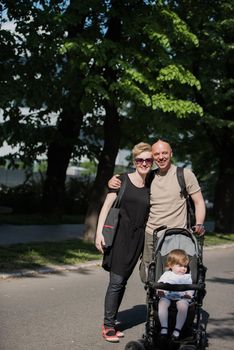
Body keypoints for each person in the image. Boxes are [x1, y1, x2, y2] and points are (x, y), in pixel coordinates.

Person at [108, 139, 206, 281]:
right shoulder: (149, 176)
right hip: (151, 235)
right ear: (152, 157)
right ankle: (156, 301)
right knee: (147, 276)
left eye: (164, 153)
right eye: (157, 154)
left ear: (171, 153)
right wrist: (112, 181)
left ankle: (174, 301)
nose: (161, 157)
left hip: (176, 235)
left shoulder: (184, 174)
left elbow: (199, 202)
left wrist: (200, 223)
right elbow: (131, 180)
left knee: (177, 274)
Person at [95, 142, 153, 343]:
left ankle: (110, 322)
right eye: (140, 160)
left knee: (123, 281)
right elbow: (107, 205)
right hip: (119, 236)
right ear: (134, 161)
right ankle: (108, 325)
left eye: (148, 160)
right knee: (116, 281)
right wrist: (98, 233)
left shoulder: (153, 182)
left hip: (138, 238)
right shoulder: (121, 179)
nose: (144, 163)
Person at [156, 249, 194, 341]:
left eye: (185, 266)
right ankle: (164, 328)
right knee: (162, 303)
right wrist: (160, 290)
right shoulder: (167, 274)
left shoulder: (187, 277)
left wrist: (189, 294)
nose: (183, 268)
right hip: (167, 296)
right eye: (180, 266)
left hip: (181, 297)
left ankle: (177, 330)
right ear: (171, 265)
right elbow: (159, 284)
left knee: (183, 306)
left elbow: (191, 288)